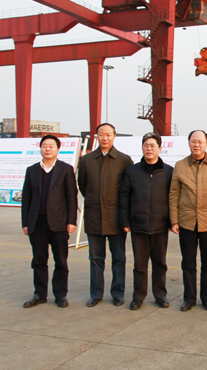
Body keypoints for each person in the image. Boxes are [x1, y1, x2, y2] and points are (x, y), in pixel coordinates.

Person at [169, 130, 207, 312]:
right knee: (188, 263)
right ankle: (189, 298)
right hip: (186, 222)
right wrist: (174, 220)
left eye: (200, 142)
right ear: (188, 143)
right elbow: (174, 194)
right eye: (193, 141)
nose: (196, 145)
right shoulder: (180, 166)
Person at [77, 123, 133, 307]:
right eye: (101, 134)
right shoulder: (86, 160)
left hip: (116, 218)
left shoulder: (124, 160)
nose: (105, 138)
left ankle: (118, 293)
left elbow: (128, 189)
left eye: (108, 135)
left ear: (114, 136)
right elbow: (83, 186)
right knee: (95, 258)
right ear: (97, 136)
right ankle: (96, 294)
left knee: (119, 258)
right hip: (94, 217)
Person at [21, 135, 78, 308]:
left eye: (51, 146)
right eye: (44, 145)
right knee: (39, 260)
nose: (47, 149)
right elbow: (26, 198)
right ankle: (40, 294)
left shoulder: (65, 169)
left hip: (59, 223)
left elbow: (71, 197)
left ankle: (60, 294)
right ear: (40, 148)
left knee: (61, 261)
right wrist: (25, 223)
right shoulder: (32, 170)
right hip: (37, 223)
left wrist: (71, 221)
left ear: (58, 149)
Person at [119, 133, 173, 311]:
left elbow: (173, 198)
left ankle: (160, 295)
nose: (149, 149)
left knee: (160, 263)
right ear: (142, 148)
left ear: (160, 148)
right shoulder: (132, 171)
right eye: (146, 145)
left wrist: (172, 221)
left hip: (160, 225)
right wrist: (125, 221)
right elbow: (124, 197)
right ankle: (138, 296)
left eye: (152, 145)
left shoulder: (168, 171)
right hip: (138, 225)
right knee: (139, 265)